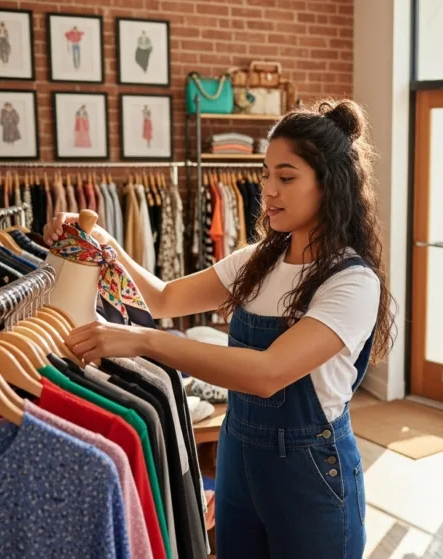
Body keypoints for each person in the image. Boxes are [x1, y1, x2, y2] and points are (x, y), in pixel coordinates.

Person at [45, 99, 394, 559]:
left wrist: (145, 341)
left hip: (308, 469)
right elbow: (164, 298)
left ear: (330, 185)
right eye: (266, 174)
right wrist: (105, 243)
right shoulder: (258, 260)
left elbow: (267, 373)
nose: (268, 190)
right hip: (238, 455)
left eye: (286, 177)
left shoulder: (351, 280)